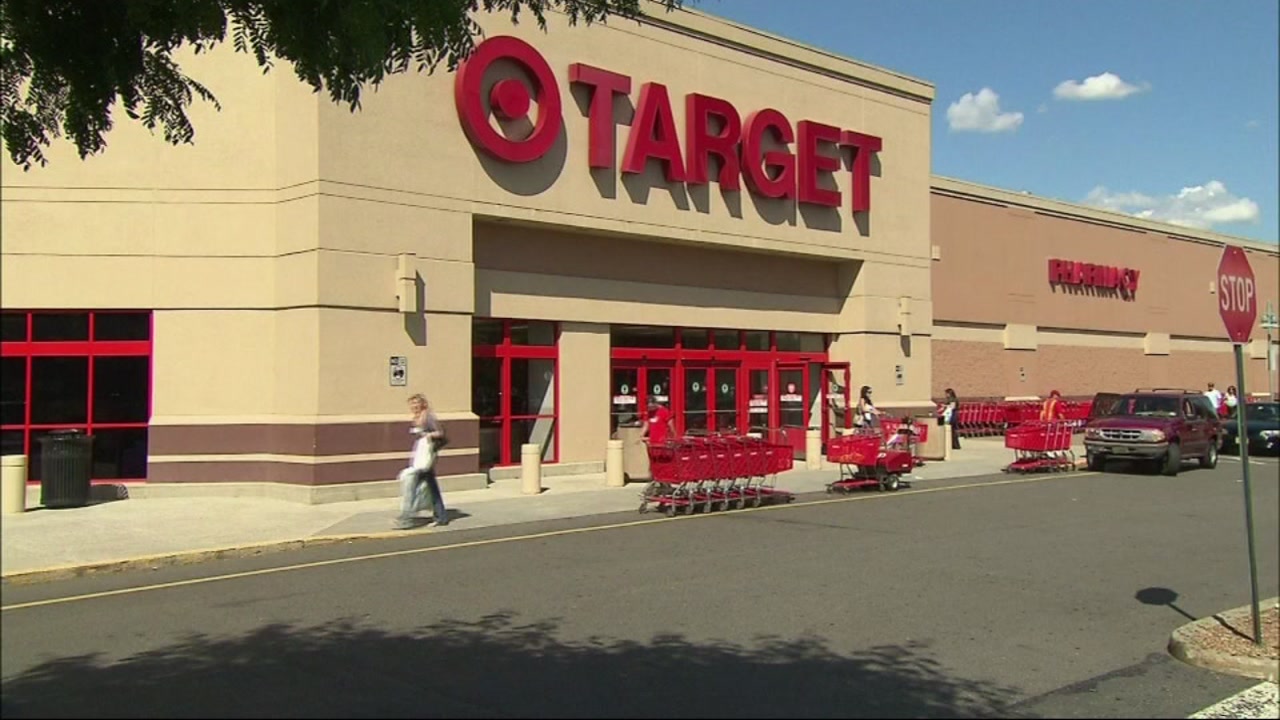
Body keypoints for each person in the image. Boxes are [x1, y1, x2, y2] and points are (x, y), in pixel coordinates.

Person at [394, 393, 448, 530]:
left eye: (416, 403)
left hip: (427, 457)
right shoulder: (418, 417)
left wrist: (427, 435)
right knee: (430, 487)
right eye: (412, 404)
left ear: (423, 404)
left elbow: (440, 433)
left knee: (411, 486)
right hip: (421, 457)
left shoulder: (428, 417)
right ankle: (440, 516)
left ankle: (406, 516)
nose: (414, 406)